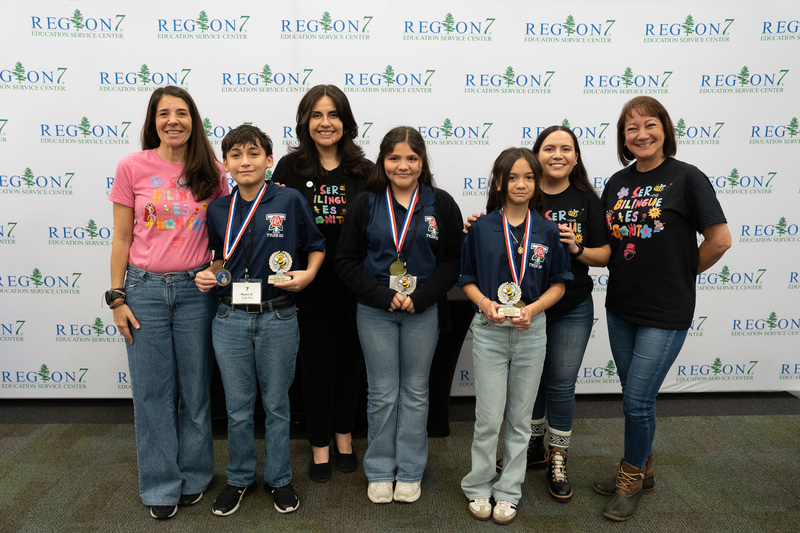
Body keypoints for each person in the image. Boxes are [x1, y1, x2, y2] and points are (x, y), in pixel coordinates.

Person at [593, 96, 731, 521]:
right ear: (623, 138)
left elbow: (720, 239)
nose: (641, 134)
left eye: (649, 125)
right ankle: (645, 466)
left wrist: (683, 272)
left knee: (636, 400)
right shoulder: (616, 182)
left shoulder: (687, 178)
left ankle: (630, 476)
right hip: (620, 306)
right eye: (631, 129)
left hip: (665, 310)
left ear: (664, 129)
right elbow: (605, 246)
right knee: (637, 397)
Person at [107, 86, 228, 519]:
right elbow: (122, 237)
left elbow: (228, 232)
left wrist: (214, 267)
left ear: (193, 119)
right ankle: (160, 484)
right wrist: (117, 297)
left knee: (195, 391)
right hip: (144, 292)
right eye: (164, 114)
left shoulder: (212, 171)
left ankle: (195, 476)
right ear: (152, 120)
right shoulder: (132, 167)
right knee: (152, 393)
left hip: (197, 293)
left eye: (181, 113)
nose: (172, 121)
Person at [195, 125, 326, 517]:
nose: (245, 161)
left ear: (269, 161)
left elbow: (316, 246)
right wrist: (208, 273)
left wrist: (308, 274)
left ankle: (279, 477)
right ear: (226, 164)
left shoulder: (289, 199)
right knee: (237, 407)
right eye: (235, 155)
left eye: (253, 154)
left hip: (278, 315)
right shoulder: (218, 208)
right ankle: (239, 478)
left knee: (276, 405)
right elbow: (220, 259)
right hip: (230, 317)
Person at [334, 126, 462, 504]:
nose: (402, 165)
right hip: (375, 309)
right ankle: (379, 469)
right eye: (394, 158)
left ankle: (409, 469)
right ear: (383, 161)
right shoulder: (365, 203)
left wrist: (421, 296)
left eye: (411, 158)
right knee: (382, 393)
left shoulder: (441, 204)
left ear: (422, 163)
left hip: (422, 309)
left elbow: (453, 261)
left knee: (416, 392)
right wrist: (381, 294)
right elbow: (345, 261)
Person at [460, 147, 572, 525]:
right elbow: (467, 280)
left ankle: (509, 490)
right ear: (498, 182)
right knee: (489, 417)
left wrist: (533, 310)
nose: (520, 184)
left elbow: (558, 284)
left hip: (531, 331)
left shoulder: (547, 229)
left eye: (528, 177)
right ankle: (478, 486)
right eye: (512, 177)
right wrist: (484, 304)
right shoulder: (480, 228)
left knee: (521, 420)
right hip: (490, 330)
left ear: (537, 182)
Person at [272, 84, 373, 483]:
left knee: (351, 363)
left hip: (354, 285)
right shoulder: (288, 168)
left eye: (333, 115)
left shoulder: (364, 172)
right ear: (305, 122)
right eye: (316, 115)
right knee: (316, 367)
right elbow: (274, 228)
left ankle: (345, 437)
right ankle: (319, 445)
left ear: (346, 122)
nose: (325, 123)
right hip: (305, 286)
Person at [512, 126, 610, 502]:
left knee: (560, 384)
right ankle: (534, 446)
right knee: (530, 382)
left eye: (565, 148)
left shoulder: (587, 199)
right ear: (536, 155)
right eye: (549, 148)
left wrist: (578, 248)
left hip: (571, 308)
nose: (557, 154)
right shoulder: (523, 192)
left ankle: (558, 456)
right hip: (528, 307)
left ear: (576, 156)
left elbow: (604, 257)